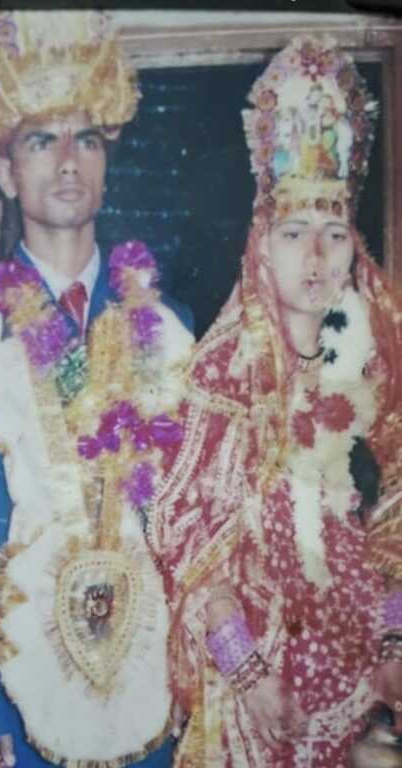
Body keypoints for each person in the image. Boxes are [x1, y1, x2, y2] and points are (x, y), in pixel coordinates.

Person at [149, 35, 402, 767]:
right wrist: (248, 671)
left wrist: (394, 643)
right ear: (261, 245)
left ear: (353, 247)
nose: (315, 257)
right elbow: (187, 545)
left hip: (362, 688)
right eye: (294, 234)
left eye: (333, 233)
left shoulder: (379, 368)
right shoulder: (220, 377)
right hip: (254, 694)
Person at [0, 11, 194, 768]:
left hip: (150, 678)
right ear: (6, 173)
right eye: (41, 140)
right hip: (19, 688)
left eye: (85, 139)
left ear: (104, 164)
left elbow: (187, 517)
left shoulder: (170, 324)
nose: (67, 160)